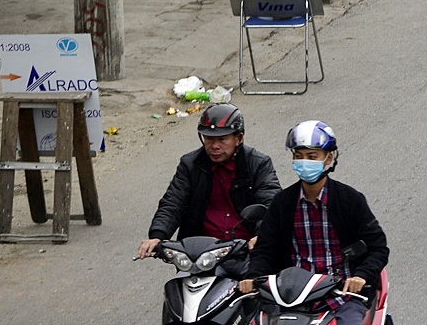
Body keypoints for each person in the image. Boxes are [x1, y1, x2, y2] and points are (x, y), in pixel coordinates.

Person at [241, 122, 389, 325]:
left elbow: (378, 247)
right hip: (291, 296)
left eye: (312, 156)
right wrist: (253, 277)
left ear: (328, 158)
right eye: (298, 156)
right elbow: (265, 249)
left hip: (341, 296)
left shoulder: (350, 199)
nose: (304, 162)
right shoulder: (282, 203)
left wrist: (361, 277)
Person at [137, 104, 280, 278]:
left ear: (239, 138)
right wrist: (158, 235)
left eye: (222, 139)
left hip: (246, 254)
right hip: (201, 255)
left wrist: (261, 236)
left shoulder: (258, 163)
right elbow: (173, 202)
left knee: (263, 293)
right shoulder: (190, 165)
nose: (214, 146)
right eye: (209, 139)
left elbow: (271, 204)